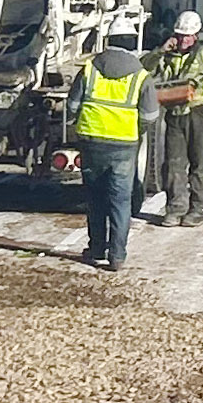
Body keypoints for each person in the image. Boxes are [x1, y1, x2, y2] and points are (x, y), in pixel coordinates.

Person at [70, 20, 149, 268]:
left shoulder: (90, 68)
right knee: (120, 201)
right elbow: (150, 116)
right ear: (132, 43)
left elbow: (72, 106)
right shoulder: (141, 76)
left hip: (92, 142)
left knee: (95, 198)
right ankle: (117, 256)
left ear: (108, 40)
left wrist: (79, 125)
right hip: (124, 145)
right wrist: (135, 131)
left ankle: (95, 249)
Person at [145, 10, 203, 230]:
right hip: (175, 114)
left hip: (200, 113)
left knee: (199, 164)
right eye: (180, 35)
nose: (183, 40)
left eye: (187, 36)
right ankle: (176, 207)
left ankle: (198, 209)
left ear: (195, 36)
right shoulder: (167, 56)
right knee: (173, 164)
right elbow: (145, 70)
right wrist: (160, 52)